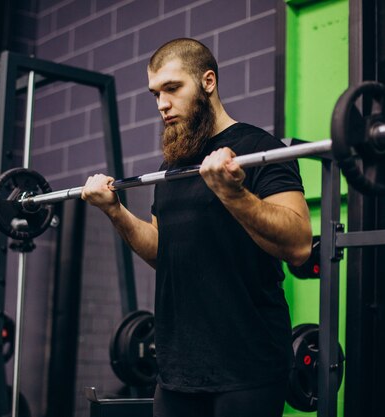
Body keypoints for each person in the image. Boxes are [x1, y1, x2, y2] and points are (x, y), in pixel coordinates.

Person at [81, 38, 312, 417]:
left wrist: (232, 194)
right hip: (176, 371)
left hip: (248, 368)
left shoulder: (257, 147)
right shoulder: (170, 168)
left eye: (173, 88)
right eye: (155, 93)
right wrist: (115, 211)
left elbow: (300, 244)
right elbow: (162, 251)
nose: (162, 104)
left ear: (208, 81)